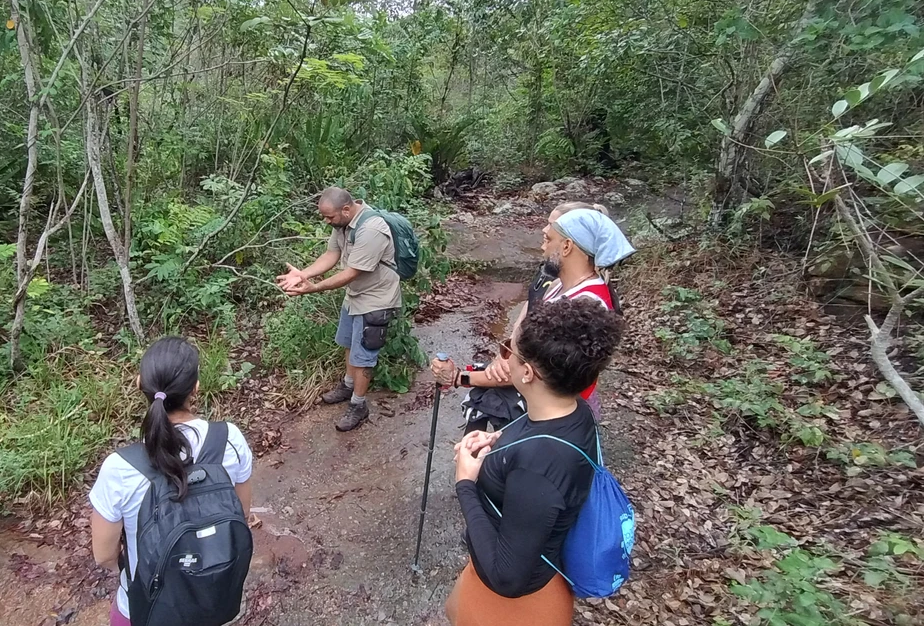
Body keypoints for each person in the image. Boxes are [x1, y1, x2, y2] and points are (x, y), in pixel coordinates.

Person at [446, 299, 625, 626]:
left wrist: (466, 484)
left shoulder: (537, 469)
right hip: (527, 563)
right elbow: (535, 434)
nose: (504, 358)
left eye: (507, 350)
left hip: (516, 605)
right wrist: (498, 442)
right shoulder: (573, 411)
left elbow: (506, 578)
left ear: (527, 372)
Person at [89, 337, 254, 626]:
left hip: (146, 608)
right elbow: (241, 512)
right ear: (196, 388)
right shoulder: (229, 439)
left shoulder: (120, 468)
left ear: (140, 384)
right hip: (212, 596)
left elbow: (103, 555)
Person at [433, 204, 633, 424]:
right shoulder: (560, 285)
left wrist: (459, 377)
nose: (542, 247)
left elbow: (530, 373)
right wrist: (508, 352)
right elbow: (528, 325)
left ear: (566, 246)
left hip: (554, 421)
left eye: (548, 240)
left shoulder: (580, 306)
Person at [277, 187, 403, 431]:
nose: (327, 222)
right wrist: (303, 274)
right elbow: (331, 254)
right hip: (355, 295)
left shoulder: (371, 229)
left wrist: (315, 288)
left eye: (330, 217)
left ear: (346, 209)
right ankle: (347, 385)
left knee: (365, 354)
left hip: (376, 299)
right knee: (348, 343)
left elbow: (351, 272)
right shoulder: (343, 224)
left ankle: (359, 404)